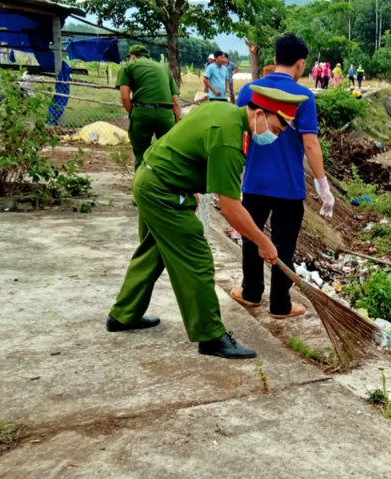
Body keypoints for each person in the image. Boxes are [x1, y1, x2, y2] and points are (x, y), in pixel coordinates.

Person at [106, 85, 309, 359]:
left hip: (152, 179)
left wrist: (188, 187)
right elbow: (230, 208)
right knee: (197, 258)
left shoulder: (222, 109)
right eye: (276, 128)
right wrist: (263, 242)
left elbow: (185, 142)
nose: (276, 135)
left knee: (154, 251)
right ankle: (210, 336)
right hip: (162, 191)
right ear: (260, 114)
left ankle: (123, 315)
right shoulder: (230, 139)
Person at [231, 32, 335, 320]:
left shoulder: (248, 91)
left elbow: (240, 134)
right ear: (301, 65)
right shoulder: (303, 97)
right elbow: (310, 144)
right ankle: (280, 306)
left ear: (275, 58)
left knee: (251, 238)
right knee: (283, 245)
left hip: (253, 182)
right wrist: (322, 186)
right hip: (289, 187)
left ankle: (251, 294)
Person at [117, 45, 181, 170]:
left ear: (133, 56)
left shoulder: (128, 66)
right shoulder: (163, 68)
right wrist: (177, 122)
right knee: (167, 151)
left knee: (142, 152)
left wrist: (133, 113)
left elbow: (125, 97)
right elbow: (176, 102)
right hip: (166, 114)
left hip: (142, 111)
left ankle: (142, 182)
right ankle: (167, 183)